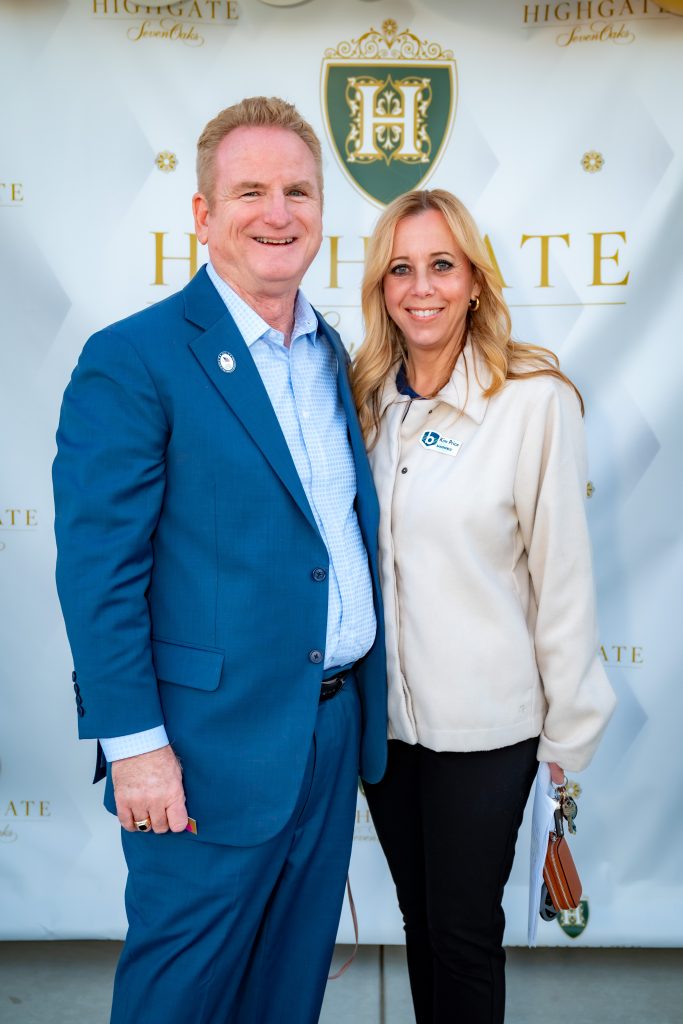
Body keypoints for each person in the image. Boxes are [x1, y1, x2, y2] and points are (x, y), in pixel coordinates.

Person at [52, 96, 387, 1024]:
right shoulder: (134, 359)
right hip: (201, 751)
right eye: (250, 192)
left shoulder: (331, 357)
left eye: (298, 192)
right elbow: (98, 574)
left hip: (329, 732)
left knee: (287, 993)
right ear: (202, 214)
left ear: (321, 211)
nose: (277, 213)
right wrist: (135, 749)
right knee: (180, 996)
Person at [352, 188, 616, 1024]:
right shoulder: (364, 399)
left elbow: (562, 576)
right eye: (400, 269)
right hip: (387, 728)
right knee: (420, 923)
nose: (420, 287)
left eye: (441, 265)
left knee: (463, 934)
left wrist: (568, 731)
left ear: (473, 280)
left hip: (488, 732)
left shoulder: (533, 399)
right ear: (380, 287)